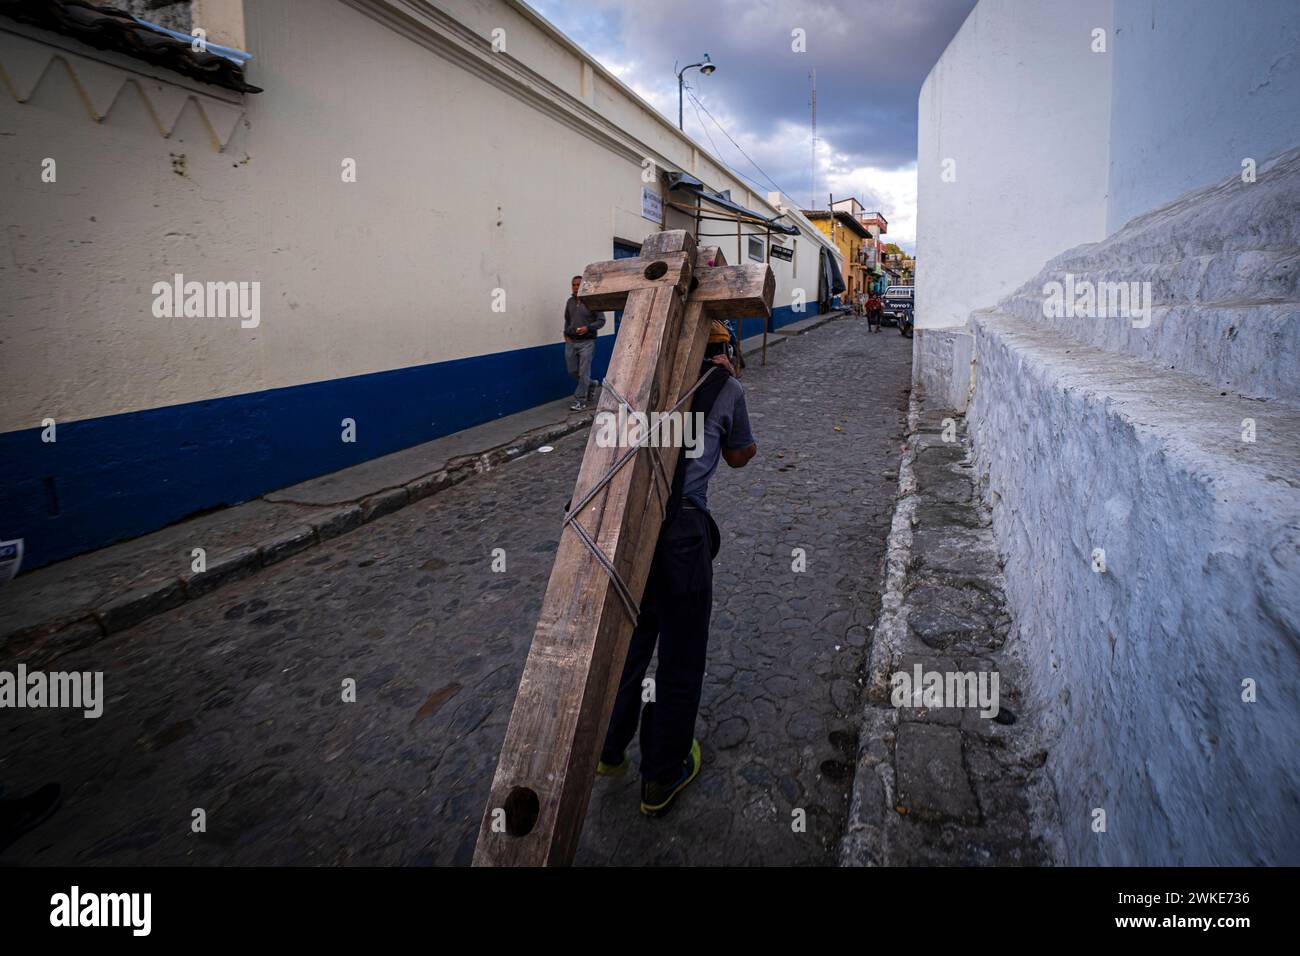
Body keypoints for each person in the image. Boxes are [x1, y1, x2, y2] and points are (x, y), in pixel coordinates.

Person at [596, 340, 757, 817]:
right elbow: (739, 454)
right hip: (683, 535)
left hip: (630, 525)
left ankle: (608, 746)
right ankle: (662, 775)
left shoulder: (633, 383)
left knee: (631, 638)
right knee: (681, 657)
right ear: (718, 341)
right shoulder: (725, 386)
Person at [564, 275, 606, 410]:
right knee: (572, 371)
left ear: (584, 285)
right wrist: (566, 334)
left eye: (578, 284)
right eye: (574, 285)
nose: (576, 287)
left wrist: (587, 328)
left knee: (584, 372)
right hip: (571, 342)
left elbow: (601, 320)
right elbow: (567, 319)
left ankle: (580, 401)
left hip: (587, 342)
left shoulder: (592, 301)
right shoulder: (570, 302)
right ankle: (592, 384)